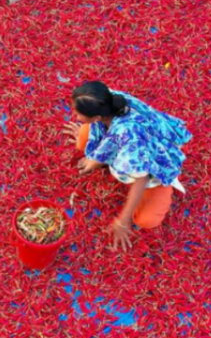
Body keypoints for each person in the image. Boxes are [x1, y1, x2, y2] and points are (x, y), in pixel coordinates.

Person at [63, 81, 192, 250]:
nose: (76, 117)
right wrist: (95, 158)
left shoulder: (130, 138)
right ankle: (94, 145)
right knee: (83, 140)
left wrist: (123, 220)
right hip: (128, 137)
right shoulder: (107, 98)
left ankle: (164, 190)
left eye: (78, 114)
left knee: (147, 220)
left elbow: (142, 177)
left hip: (155, 164)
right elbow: (111, 137)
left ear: (97, 118)